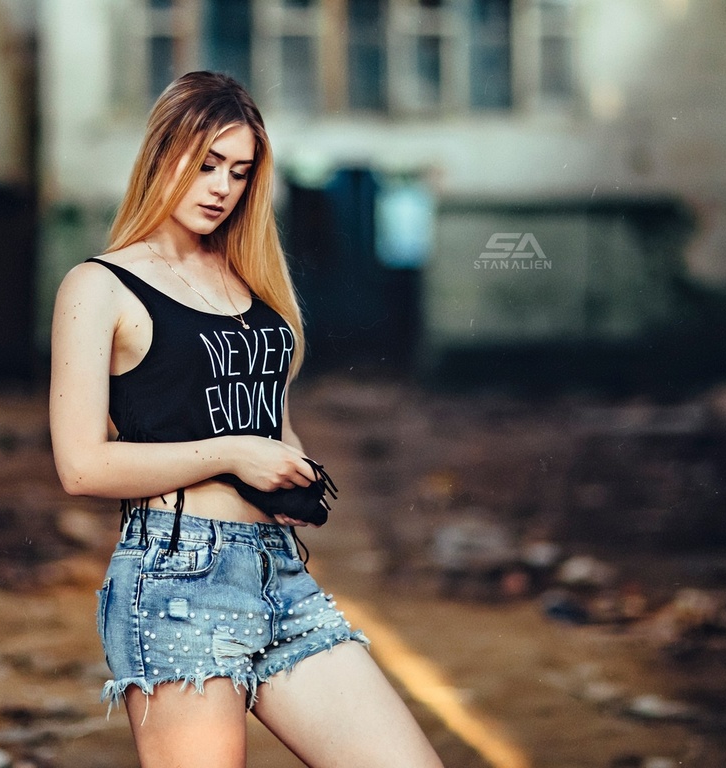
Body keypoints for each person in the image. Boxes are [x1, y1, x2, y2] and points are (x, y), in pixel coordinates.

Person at [49, 70, 444, 768]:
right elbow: (82, 465)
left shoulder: (245, 278)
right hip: (177, 582)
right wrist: (232, 453)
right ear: (160, 154)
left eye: (239, 170)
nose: (222, 187)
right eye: (206, 165)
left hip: (279, 575)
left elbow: (268, 418)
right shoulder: (98, 287)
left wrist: (287, 470)